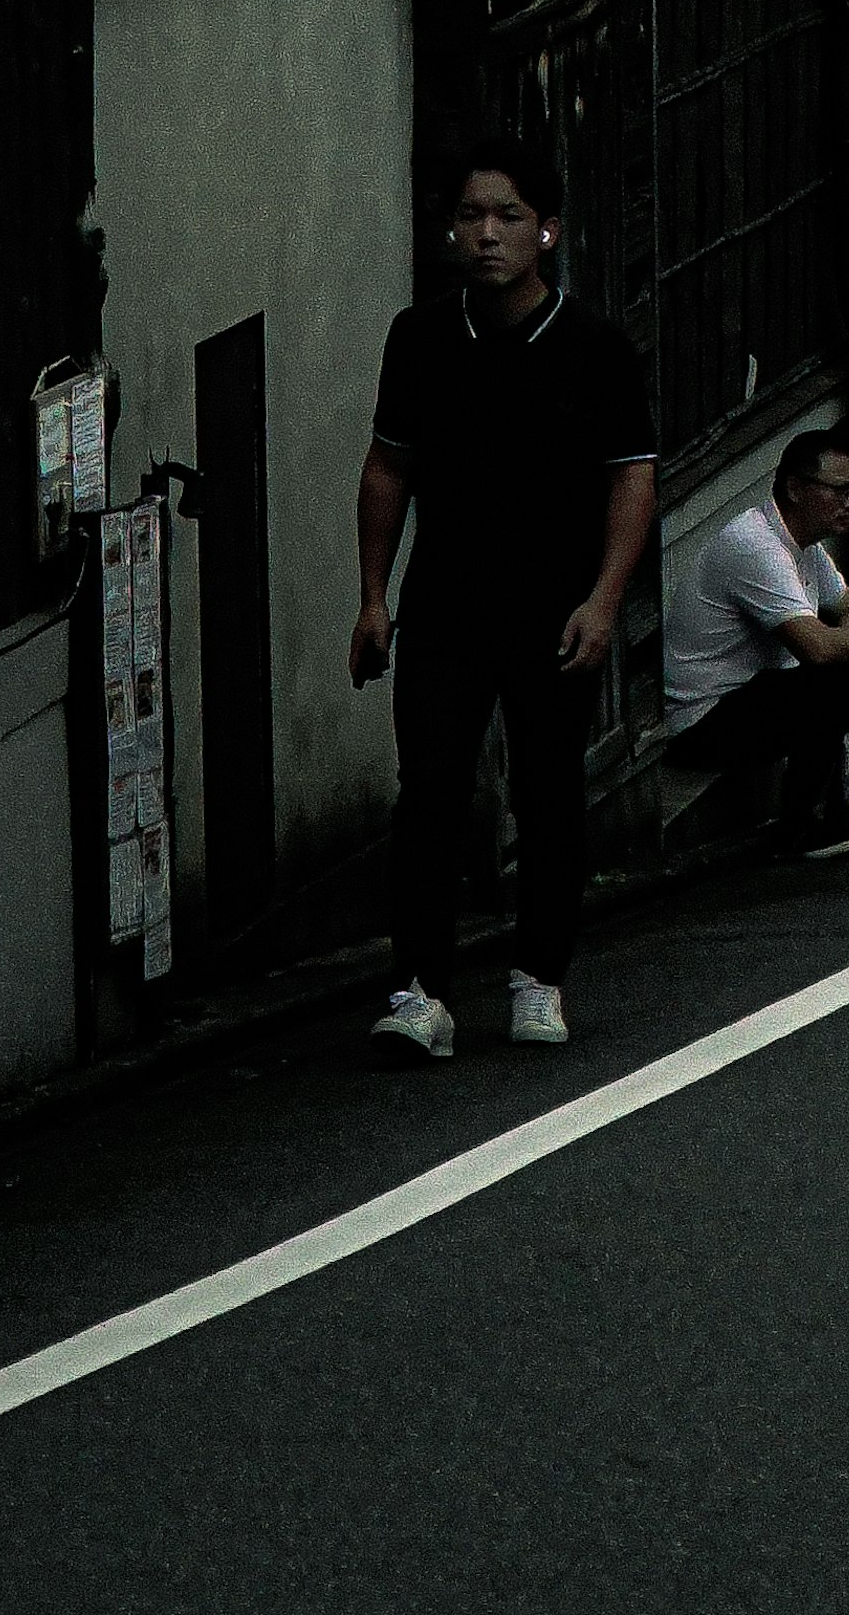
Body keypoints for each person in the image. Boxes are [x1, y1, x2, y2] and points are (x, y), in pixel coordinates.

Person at [352, 131, 656, 1061]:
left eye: (509, 217)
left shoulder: (595, 348)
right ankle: (420, 993)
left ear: (548, 233)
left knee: (548, 789)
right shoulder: (422, 338)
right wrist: (373, 597)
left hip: (554, 605)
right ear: (450, 231)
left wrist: (605, 599)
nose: (487, 234)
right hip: (444, 598)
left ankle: (539, 978)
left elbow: (632, 478)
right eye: (472, 216)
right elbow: (387, 470)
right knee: (429, 795)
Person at [661, 429, 849, 847]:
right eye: (840, 491)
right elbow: (818, 649)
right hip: (703, 721)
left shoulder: (808, 547)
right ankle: (799, 826)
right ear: (795, 489)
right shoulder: (756, 544)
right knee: (840, 673)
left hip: (753, 698)